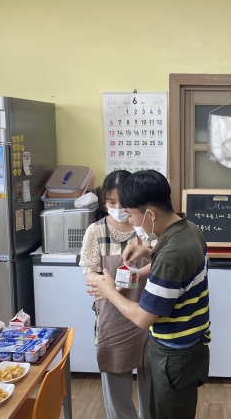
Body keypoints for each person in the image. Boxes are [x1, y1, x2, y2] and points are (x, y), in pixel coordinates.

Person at [86, 170, 210, 419]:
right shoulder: (188, 230)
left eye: (131, 214)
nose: (130, 222)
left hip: (174, 355)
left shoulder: (172, 254)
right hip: (190, 345)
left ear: (150, 214)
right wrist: (147, 254)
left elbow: (143, 318)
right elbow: (172, 273)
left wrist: (110, 291)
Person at [79, 170, 152, 419]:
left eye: (123, 202)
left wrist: (128, 280)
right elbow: (89, 272)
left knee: (151, 380)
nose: (118, 208)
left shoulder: (146, 227)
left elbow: (160, 264)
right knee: (115, 379)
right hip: (111, 315)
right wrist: (106, 285)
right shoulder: (95, 231)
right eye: (111, 202)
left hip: (148, 312)